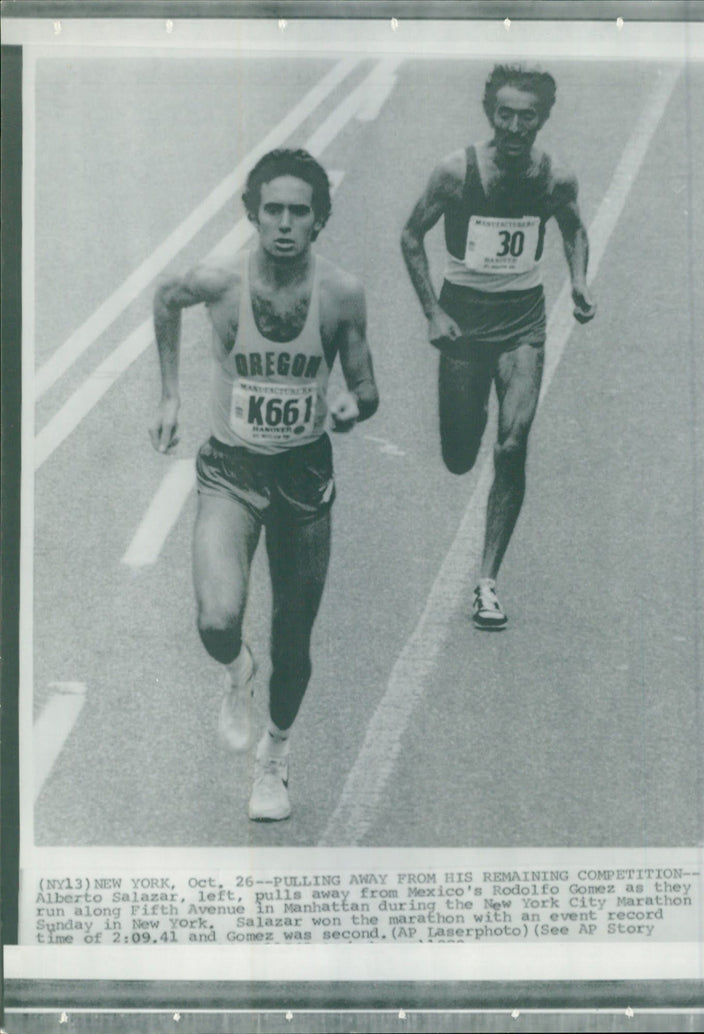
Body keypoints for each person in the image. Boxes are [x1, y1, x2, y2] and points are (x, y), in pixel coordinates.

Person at [150, 148, 378, 821]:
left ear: (318, 221)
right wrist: (169, 395)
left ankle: (274, 756)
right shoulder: (220, 283)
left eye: (298, 212)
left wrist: (351, 405)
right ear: (254, 214)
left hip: (304, 478)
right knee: (218, 620)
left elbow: (367, 386)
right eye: (271, 209)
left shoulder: (340, 294)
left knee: (294, 641)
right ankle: (234, 670)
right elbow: (165, 296)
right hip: (232, 470)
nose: (283, 223)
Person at [401, 64, 596, 630]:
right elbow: (412, 235)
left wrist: (579, 280)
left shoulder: (556, 176)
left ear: (543, 119)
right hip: (463, 322)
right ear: (491, 113)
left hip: (522, 322)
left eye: (526, 116)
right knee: (460, 455)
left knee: (512, 446)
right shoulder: (455, 173)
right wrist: (432, 312)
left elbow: (573, 228)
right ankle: (468, 414)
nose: (514, 126)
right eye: (505, 114)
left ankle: (487, 582)